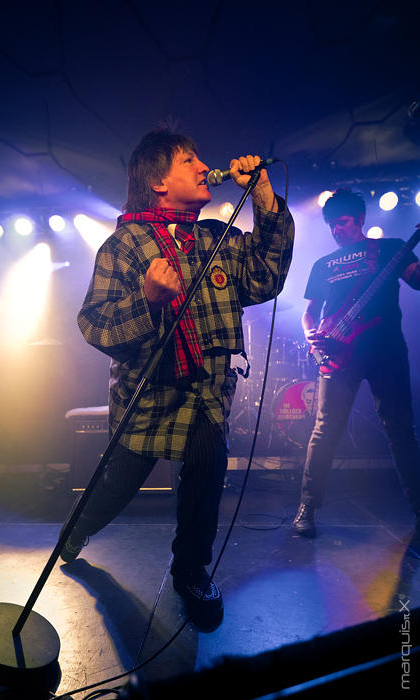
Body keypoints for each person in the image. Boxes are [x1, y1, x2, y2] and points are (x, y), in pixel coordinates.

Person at [61, 129, 294, 628]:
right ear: (159, 183)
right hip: (148, 396)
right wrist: (145, 299)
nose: (203, 165)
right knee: (117, 485)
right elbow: (94, 323)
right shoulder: (123, 244)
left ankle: (190, 570)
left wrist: (265, 201)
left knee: (207, 470)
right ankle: (76, 530)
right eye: (190, 160)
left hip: (206, 393)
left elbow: (265, 278)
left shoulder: (217, 237)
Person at [293, 189, 420, 537]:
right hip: (337, 353)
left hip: (386, 351)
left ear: (360, 220)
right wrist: (310, 336)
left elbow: (417, 279)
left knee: (400, 432)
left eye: (343, 223)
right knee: (325, 430)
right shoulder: (322, 266)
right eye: (332, 225)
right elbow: (309, 313)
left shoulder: (390, 248)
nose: (337, 230)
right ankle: (306, 509)